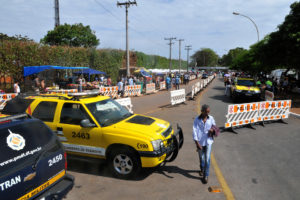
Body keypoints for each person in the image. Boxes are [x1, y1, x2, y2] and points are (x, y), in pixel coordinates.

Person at [193, 104, 216, 184]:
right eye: (206, 112)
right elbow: (194, 131)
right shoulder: (196, 119)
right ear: (202, 111)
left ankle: (206, 176)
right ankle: (202, 168)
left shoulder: (211, 118)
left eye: (208, 112)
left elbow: (214, 127)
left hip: (209, 141)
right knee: (202, 158)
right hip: (200, 142)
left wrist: (212, 130)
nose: (207, 114)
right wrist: (197, 143)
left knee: (207, 159)